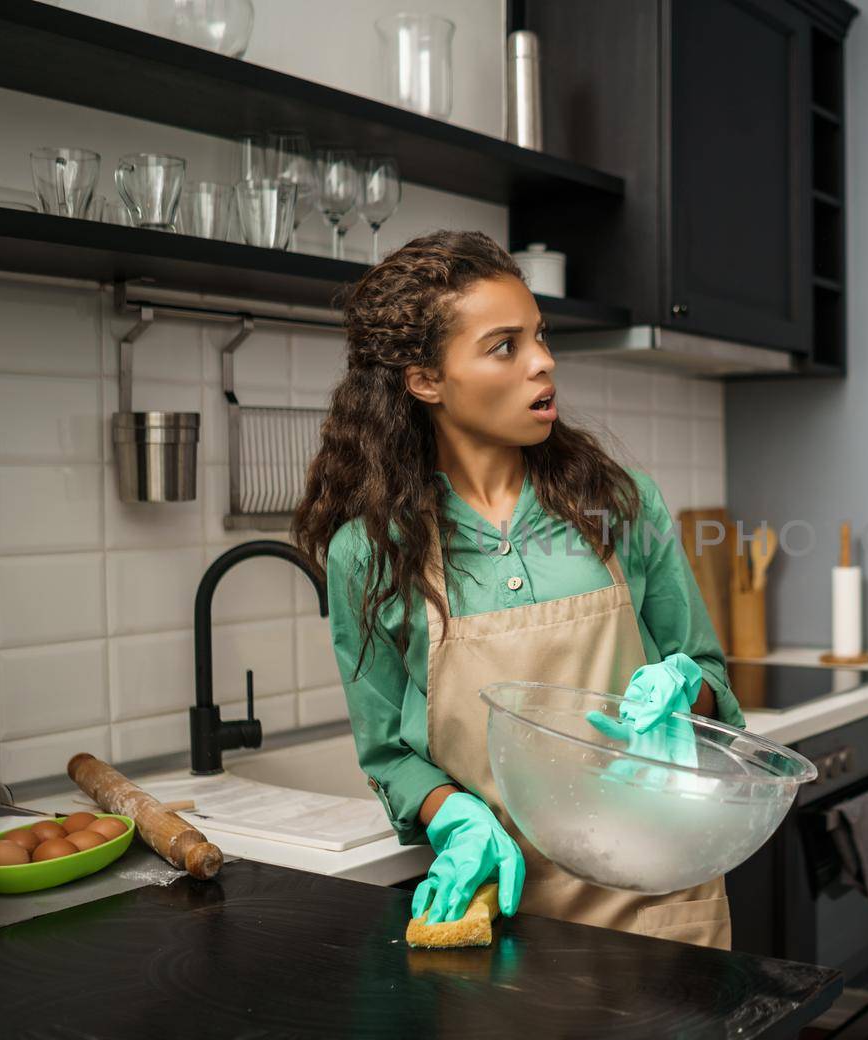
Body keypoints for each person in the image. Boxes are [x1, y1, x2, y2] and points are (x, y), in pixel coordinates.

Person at [295, 231, 741, 949]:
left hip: (660, 901)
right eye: (505, 346)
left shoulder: (621, 505)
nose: (544, 362)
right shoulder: (371, 552)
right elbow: (388, 755)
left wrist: (685, 694)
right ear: (425, 380)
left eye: (539, 336)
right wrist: (451, 815)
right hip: (502, 908)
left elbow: (712, 680)